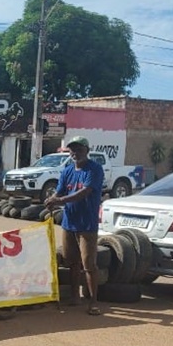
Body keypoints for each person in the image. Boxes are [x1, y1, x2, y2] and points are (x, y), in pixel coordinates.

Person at [44, 135, 104, 316]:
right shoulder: (68, 170)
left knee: (89, 264)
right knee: (72, 262)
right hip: (69, 223)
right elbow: (60, 190)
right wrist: (53, 198)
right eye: (72, 150)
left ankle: (93, 302)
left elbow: (84, 192)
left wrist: (60, 200)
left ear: (87, 151)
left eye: (79, 150)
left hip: (87, 225)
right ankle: (74, 297)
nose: (75, 153)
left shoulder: (94, 169)